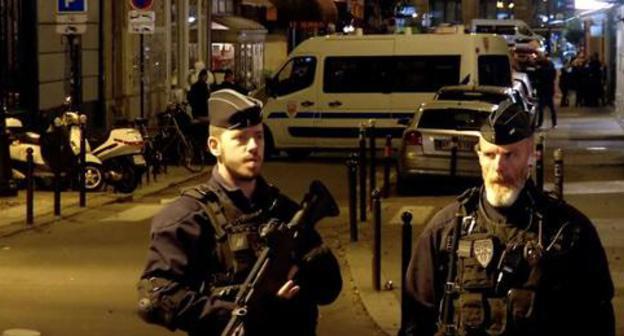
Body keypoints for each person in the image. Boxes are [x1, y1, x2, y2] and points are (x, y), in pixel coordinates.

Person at [137, 89, 342, 336]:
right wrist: (234, 313)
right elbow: (156, 297)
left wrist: (303, 275)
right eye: (240, 138)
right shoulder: (188, 216)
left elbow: (329, 289)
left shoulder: (286, 211)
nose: (253, 146)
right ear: (214, 146)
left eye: (259, 136)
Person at [404, 101, 614, 336]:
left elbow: (597, 319)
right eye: (490, 155)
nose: (498, 167)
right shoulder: (445, 230)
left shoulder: (569, 231)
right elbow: (416, 321)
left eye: (509, 155)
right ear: (478, 155)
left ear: (532, 155)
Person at [187, 69, 211, 162]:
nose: (206, 78)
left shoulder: (194, 87)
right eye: (205, 76)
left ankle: (202, 151)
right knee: (206, 129)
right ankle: (204, 150)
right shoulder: (203, 87)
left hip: (197, 113)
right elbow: (206, 100)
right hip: (201, 114)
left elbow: (191, 99)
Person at [536, 56, 557, 128]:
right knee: (552, 108)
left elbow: (537, 78)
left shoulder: (540, 70)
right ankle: (554, 123)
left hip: (542, 91)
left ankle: (540, 123)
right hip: (549, 90)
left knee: (541, 109)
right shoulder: (552, 70)